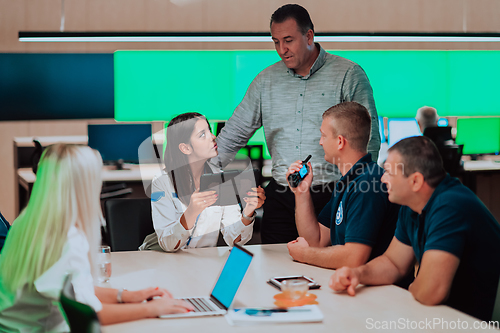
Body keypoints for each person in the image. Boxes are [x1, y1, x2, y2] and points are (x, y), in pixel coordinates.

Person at [215, 4, 380, 244]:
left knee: (329, 270)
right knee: (273, 267)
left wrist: (361, 194)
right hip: (282, 196)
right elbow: (234, 134)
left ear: (309, 36)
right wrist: (197, 174)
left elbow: (369, 138)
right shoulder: (265, 81)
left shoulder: (348, 74)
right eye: (276, 42)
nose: (282, 49)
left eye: (289, 40)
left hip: (333, 194)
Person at [0, 144, 194, 332]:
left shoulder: (26, 221)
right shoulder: (67, 239)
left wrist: (127, 296)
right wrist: (152, 309)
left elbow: (74, 291)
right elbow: (89, 313)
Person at [329, 136, 500, 321]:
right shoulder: (411, 206)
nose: (382, 179)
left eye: (388, 172)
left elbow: (431, 292)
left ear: (415, 181)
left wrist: (414, 286)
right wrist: (357, 274)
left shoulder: (450, 207)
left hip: (475, 323)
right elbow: (393, 263)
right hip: (443, 316)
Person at [286, 102, 401, 272]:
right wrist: (301, 192)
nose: (320, 142)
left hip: (378, 293)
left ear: (340, 141)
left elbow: (354, 258)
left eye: (323, 136)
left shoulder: (367, 184)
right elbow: (316, 241)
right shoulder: (349, 182)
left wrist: (304, 254)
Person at [140, 112, 265, 252]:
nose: (213, 137)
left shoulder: (221, 179)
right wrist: (192, 211)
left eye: (209, 131)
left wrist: (248, 211)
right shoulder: (162, 181)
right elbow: (168, 245)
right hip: (163, 261)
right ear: (185, 148)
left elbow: (233, 239)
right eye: (202, 134)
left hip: (200, 263)